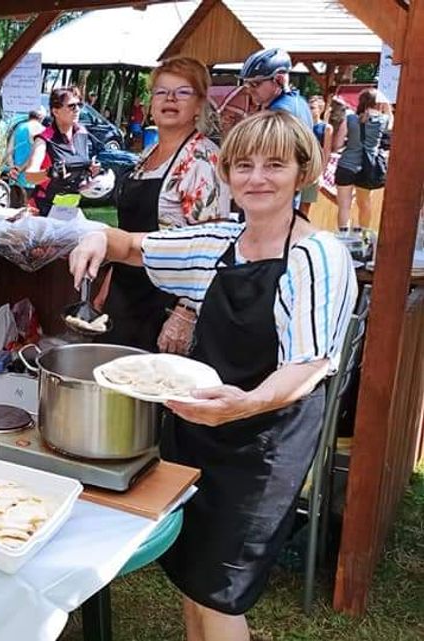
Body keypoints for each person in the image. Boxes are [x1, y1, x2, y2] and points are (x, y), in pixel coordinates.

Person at [69, 110, 357, 641]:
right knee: (192, 569)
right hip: (199, 422)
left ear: (303, 171)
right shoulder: (219, 241)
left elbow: (308, 365)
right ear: (226, 174)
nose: (257, 178)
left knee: (220, 586)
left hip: (264, 437)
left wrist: (244, 405)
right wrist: (96, 240)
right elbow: (132, 246)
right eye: (243, 165)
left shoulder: (318, 256)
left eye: (275, 164)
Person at [99, 56, 231, 355]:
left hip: (168, 302)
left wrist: (185, 314)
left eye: (182, 92)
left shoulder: (202, 160)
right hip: (127, 291)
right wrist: (111, 278)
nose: (170, 99)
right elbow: (129, 230)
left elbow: (213, 248)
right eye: (161, 91)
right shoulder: (148, 154)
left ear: (199, 104)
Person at [239, 48, 316, 210]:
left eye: (256, 83)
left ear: (279, 79)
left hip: (274, 195)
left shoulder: (278, 113)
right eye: (247, 83)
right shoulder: (299, 102)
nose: (250, 89)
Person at [16, 86, 100, 216]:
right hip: (44, 208)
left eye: (79, 105)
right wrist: (49, 173)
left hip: (71, 207)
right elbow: (29, 175)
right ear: (55, 111)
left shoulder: (82, 133)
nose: (77, 109)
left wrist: (91, 171)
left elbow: (80, 170)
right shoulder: (44, 139)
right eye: (72, 106)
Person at [334, 88, 390, 230]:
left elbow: (338, 144)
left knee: (344, 206)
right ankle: (364, 235)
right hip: (367, 167)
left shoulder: (350, 118)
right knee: (364, 204)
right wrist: (387, 105)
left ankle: (343, 238)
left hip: (347, 165)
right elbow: (391, 123)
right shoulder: (382, 120)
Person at [5, 107, 46, 207]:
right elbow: (34, 155)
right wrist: (19, 169)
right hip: (31, 181)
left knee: (13, 213)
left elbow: (9, 151)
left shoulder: (19, 127)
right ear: (41, 117)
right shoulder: (42, 130)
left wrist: (12, 168)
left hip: (14, 180)